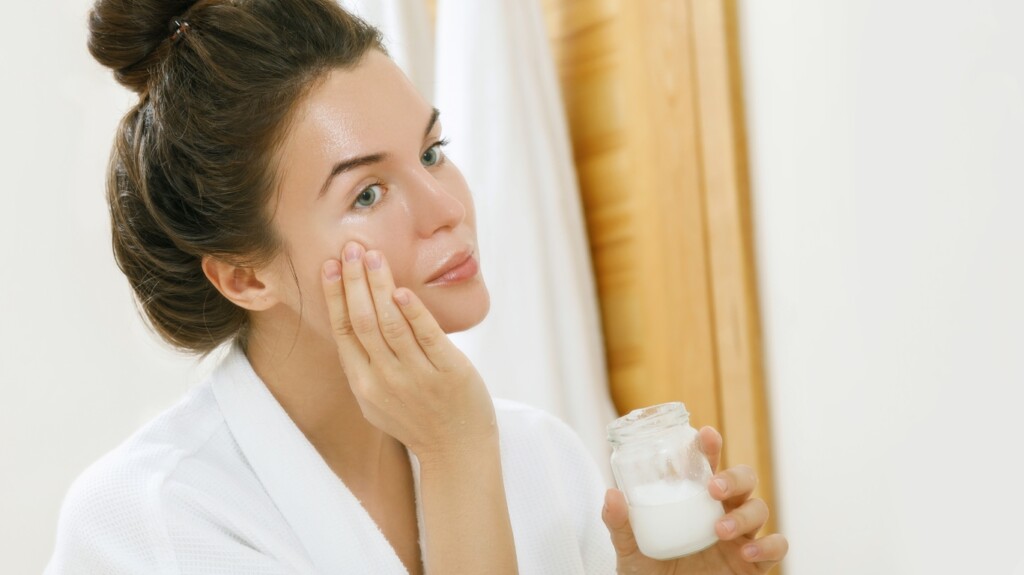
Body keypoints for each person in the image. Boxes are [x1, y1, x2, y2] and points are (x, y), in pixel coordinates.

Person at [46, 0, 789, 573]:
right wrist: (456, 456)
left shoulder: (544, 461)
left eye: (433, 152)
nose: (447, 208)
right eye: (366, 193)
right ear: (245, 275)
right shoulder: (150, 522)